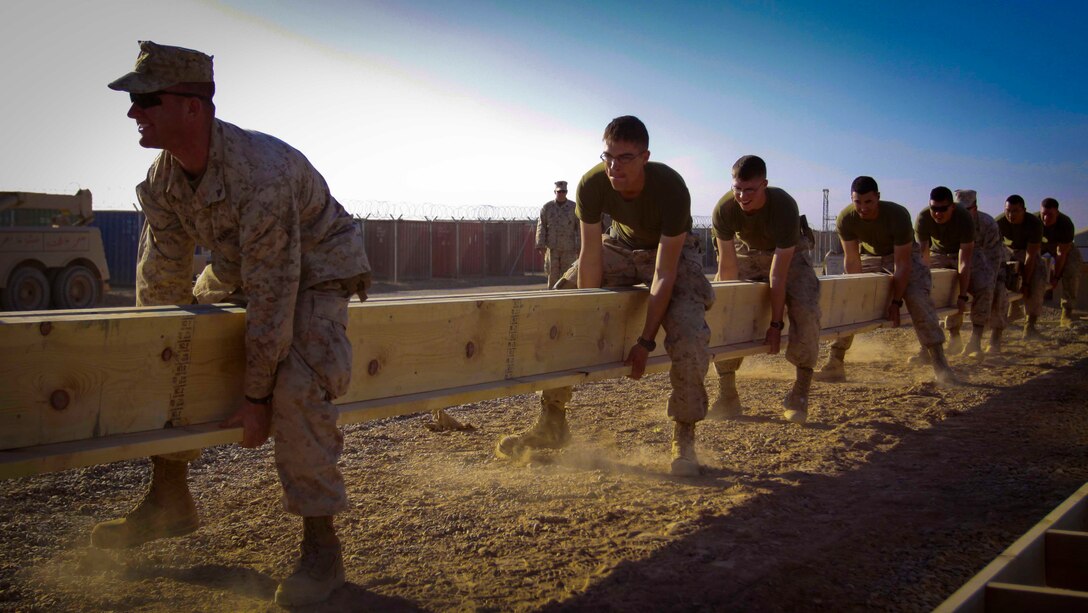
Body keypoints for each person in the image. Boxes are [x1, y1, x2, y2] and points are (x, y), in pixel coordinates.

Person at [95, 41, 371, 607]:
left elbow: (275, 293)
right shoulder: (163, 179)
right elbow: (162, 277)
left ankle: (322, 547)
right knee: (180, 346)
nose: (133, 113)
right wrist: (165, 347)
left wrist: (255, 396)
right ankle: (169, 497)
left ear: (192, 107)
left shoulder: (261, 173)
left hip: (317, 269)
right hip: (243, 267)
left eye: (146, 99)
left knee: (295, 384)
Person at [496, 115, 715, 476]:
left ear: (645, 157)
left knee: (690, 331)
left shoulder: (671, 189)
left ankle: (684, 437)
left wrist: (645, 342)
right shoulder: (592, 184)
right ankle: (552, 422)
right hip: (621, 246)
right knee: (561, 303)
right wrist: (587, 318)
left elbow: (663, 271)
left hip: (669, 253)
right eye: (608, 156)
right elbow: (592, 254)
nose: (614, 167)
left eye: (625, 158)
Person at [708, 155, 820, 424]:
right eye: (737, 189)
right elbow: (728, 266)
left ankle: (799, 393)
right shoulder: (724, 209)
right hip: (747, 252)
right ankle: (728, 395)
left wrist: (776, 324)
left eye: (750, 190)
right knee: (724, 310)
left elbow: (778, 275)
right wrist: (730, 301)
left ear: (765, 185)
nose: (743, 196)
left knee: (806, 306)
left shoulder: (782, 205)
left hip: (788, 255)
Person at [814, 176, 957, 385]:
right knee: (847, 301)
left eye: (868, 202)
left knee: (917, 298)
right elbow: (852, 260)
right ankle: (835, 363)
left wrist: (896, 301)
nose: (863, 207)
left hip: (904, 257)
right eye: (857, 202)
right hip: (871, 257)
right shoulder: (846, 218)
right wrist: (855, 290)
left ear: (878, 198)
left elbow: (902, 263)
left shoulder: (897, 215)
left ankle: (940, 364)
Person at [915, 186, 974, 357]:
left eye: (943, 209)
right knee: (923, 298)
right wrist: (924, 287)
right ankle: (927, 345)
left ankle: (958, 337)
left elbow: (964, 260)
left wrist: (963, 295)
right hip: (938, 253)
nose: (938, 214)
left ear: (952, 207)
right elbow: (923, 256)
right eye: (934, 209)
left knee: (965, 287)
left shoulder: (964, 218)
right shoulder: (923, 218)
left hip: (960, 253)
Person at [954, 189, 1010, 355]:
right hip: (963, 262)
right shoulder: (951, 222)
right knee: (951, 287)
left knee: (995, 288)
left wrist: (985, 284)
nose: (962, 215)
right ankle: (953, 337)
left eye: (966, 211)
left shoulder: (988, 224)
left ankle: (983, 339)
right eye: (959, 211)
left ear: (975, 208)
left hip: (990, 262)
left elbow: (993, 260)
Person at [996, 195, 1047, 340]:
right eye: (1008, 211)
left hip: (1027, 252)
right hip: (1008, 252)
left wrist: (1026, 282)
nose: (1011, 215)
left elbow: (1031, 255)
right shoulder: (998, 223)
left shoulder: (1034, 224)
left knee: (1037, 276)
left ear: (1024, 210)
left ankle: (1030, 325)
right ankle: (1004, 316)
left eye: (1015, 211)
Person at [1039, 198, 1081, 327]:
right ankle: (1015, 308)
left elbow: (1061, 253)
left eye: (1050, 215)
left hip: (1062, 247)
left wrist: (1056, 277)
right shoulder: (1034, 221)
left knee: (1072, 271)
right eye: (1043, 214)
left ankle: (1066, 313)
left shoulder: (1066, 224)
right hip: (1039, 245)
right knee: (1018, 265)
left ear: (1057, 213)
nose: (1045, 218)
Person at [536, 180, 580, 288]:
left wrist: (580, 246)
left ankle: (568, 300)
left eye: (563, 191)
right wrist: (540, 245)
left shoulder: (573, 207)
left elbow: (579, 228)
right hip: (552, 249)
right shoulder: (547, 207)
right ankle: (552, 298)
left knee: (569, 276)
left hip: (568, 248)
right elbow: (541, 225)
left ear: (567, 192)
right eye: (559, 192)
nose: (561, 194)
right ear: (554, 192)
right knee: (552, 276)